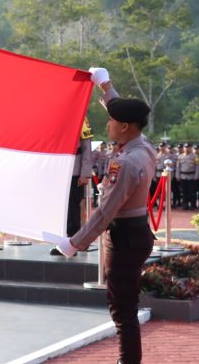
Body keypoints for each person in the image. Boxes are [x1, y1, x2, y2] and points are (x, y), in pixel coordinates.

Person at [56, 67, 156, 364]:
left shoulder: (125, 162)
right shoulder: (143, 144)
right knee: (124, 304)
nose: (108, 124)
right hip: (137, 231)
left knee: (122, 308)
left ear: (125, 126)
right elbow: (122, 110)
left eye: (112, 120)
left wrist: (75, 243)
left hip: (125, 235)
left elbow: (105, 212)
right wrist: (105, 86)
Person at [50, 118, 93, 255]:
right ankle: (61, 244)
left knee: (72, 209)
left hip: (75, 172)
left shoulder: (82, 122)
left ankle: (73, 244)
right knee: (58, 209)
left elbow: (87, 150)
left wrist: (85, 174)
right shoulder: (59, 117)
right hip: (58, 171)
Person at [176, 143, 199, 209]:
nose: (187, 148)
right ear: (184, 148)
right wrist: (178, 176)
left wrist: (196, 176)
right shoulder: (180, 156)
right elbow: (178, 167)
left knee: (191, 192)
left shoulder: (195, 156)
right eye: (185, 147)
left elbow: (198, 166)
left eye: (188, 147)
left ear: (190, 148)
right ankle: (185, 205)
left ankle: (192, 205)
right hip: (183, 176)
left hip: (191, 176)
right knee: (184, 192)